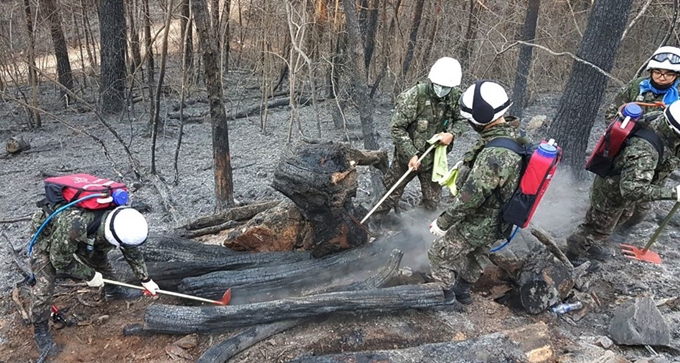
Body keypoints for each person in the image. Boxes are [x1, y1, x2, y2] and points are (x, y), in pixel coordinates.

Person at [427, 80, 523, 305]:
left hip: (481, 220)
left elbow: (471, 197)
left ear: (481, 116)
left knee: (438, 253)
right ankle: (463, 292)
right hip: (501, 220)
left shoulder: (494, 153)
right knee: (478, 255)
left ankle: (446, 298)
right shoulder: (513, 137)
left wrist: (443, 222)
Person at [29, 205, 159, 357]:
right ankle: (40, 328)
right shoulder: (76, 225)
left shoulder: (122, 222)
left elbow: (130, 250)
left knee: (99, 258)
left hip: (84, 233)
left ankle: (114, 291)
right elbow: (59, 260)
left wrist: (145, 278)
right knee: (44, 285)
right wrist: (89, 275)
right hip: (49, 233)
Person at [566, 100, 680, 270]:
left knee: (620, 218)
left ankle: (592, 245)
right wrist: (673, 193)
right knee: (595, 228)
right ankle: (571, 257)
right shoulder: (645, 150)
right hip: (613, 192)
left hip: (628, 187)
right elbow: (632, 190)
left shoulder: (662, 123)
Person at [376, 57, 468, 218]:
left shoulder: (455, 97)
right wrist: (411, 154)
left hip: (434, 160)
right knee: (389, 195)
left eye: (446, 87)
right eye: (439, 86)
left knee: (432, 202)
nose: (442, 90)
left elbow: (463, 119)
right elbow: (397, 128)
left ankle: (417, 230)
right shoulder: (414, 96)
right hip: (407, 159)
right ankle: (372, 225)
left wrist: (452, 134)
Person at [604, 46, 680, 229]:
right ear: (651, 71)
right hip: (631, 151)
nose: (662, 77)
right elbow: (611, 113)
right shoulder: (636, 87)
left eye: (669, 74)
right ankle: (602, 232)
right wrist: (626, 127)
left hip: (663, 159)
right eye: (658, 72)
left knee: (642, 208)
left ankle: (622, 232)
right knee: (621, 196)